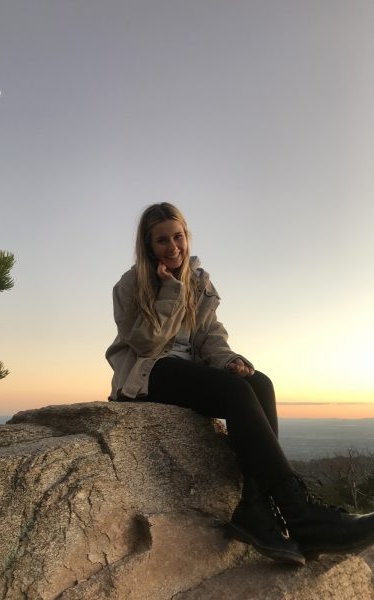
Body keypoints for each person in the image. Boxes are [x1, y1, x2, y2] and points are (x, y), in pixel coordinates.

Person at [106, 202, 374, 566]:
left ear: (187, 236)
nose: (173, 248)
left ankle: (255, 508)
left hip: (188, 370)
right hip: (147, 375)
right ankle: (302, 515)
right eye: (161, 241)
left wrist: (229, 360)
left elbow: (209, 337)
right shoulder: (129, 285)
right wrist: (169, 293)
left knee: (259, 383)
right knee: (234, 392)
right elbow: (145, 344)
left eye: (178, 237)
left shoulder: (198, 281)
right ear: (147, 246)